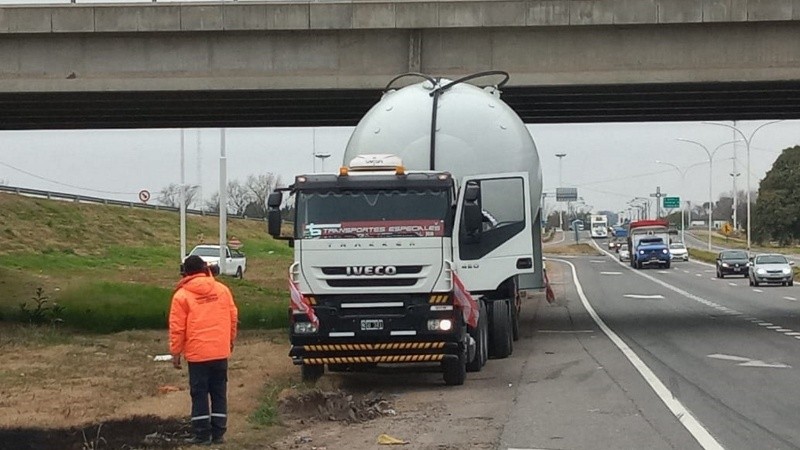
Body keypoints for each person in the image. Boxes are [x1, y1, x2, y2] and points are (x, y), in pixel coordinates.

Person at [170, 255, 238, 445]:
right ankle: (218, 433)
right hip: (220, 351)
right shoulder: (222, 290)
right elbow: (233, 317)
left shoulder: (181, 295)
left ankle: (202, 435)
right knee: (218, 392)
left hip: (197, 354)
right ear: (204, 269)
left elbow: (178, 327)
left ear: (186, 272)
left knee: (199, 393)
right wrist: (230, 341)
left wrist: (175, 352)